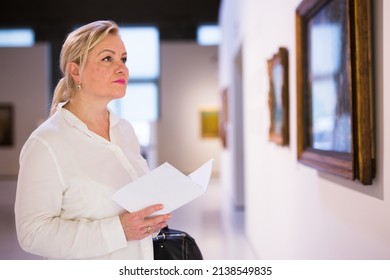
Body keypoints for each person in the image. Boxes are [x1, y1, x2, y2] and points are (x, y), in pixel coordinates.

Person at [14, 20, 171, 260]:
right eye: (107, 58)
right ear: (75, 71)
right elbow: (32, 233)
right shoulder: (46, 143)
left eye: (124, 59)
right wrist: (118, 230)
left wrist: (149, 217)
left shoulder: (125, 130)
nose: (122, 69)